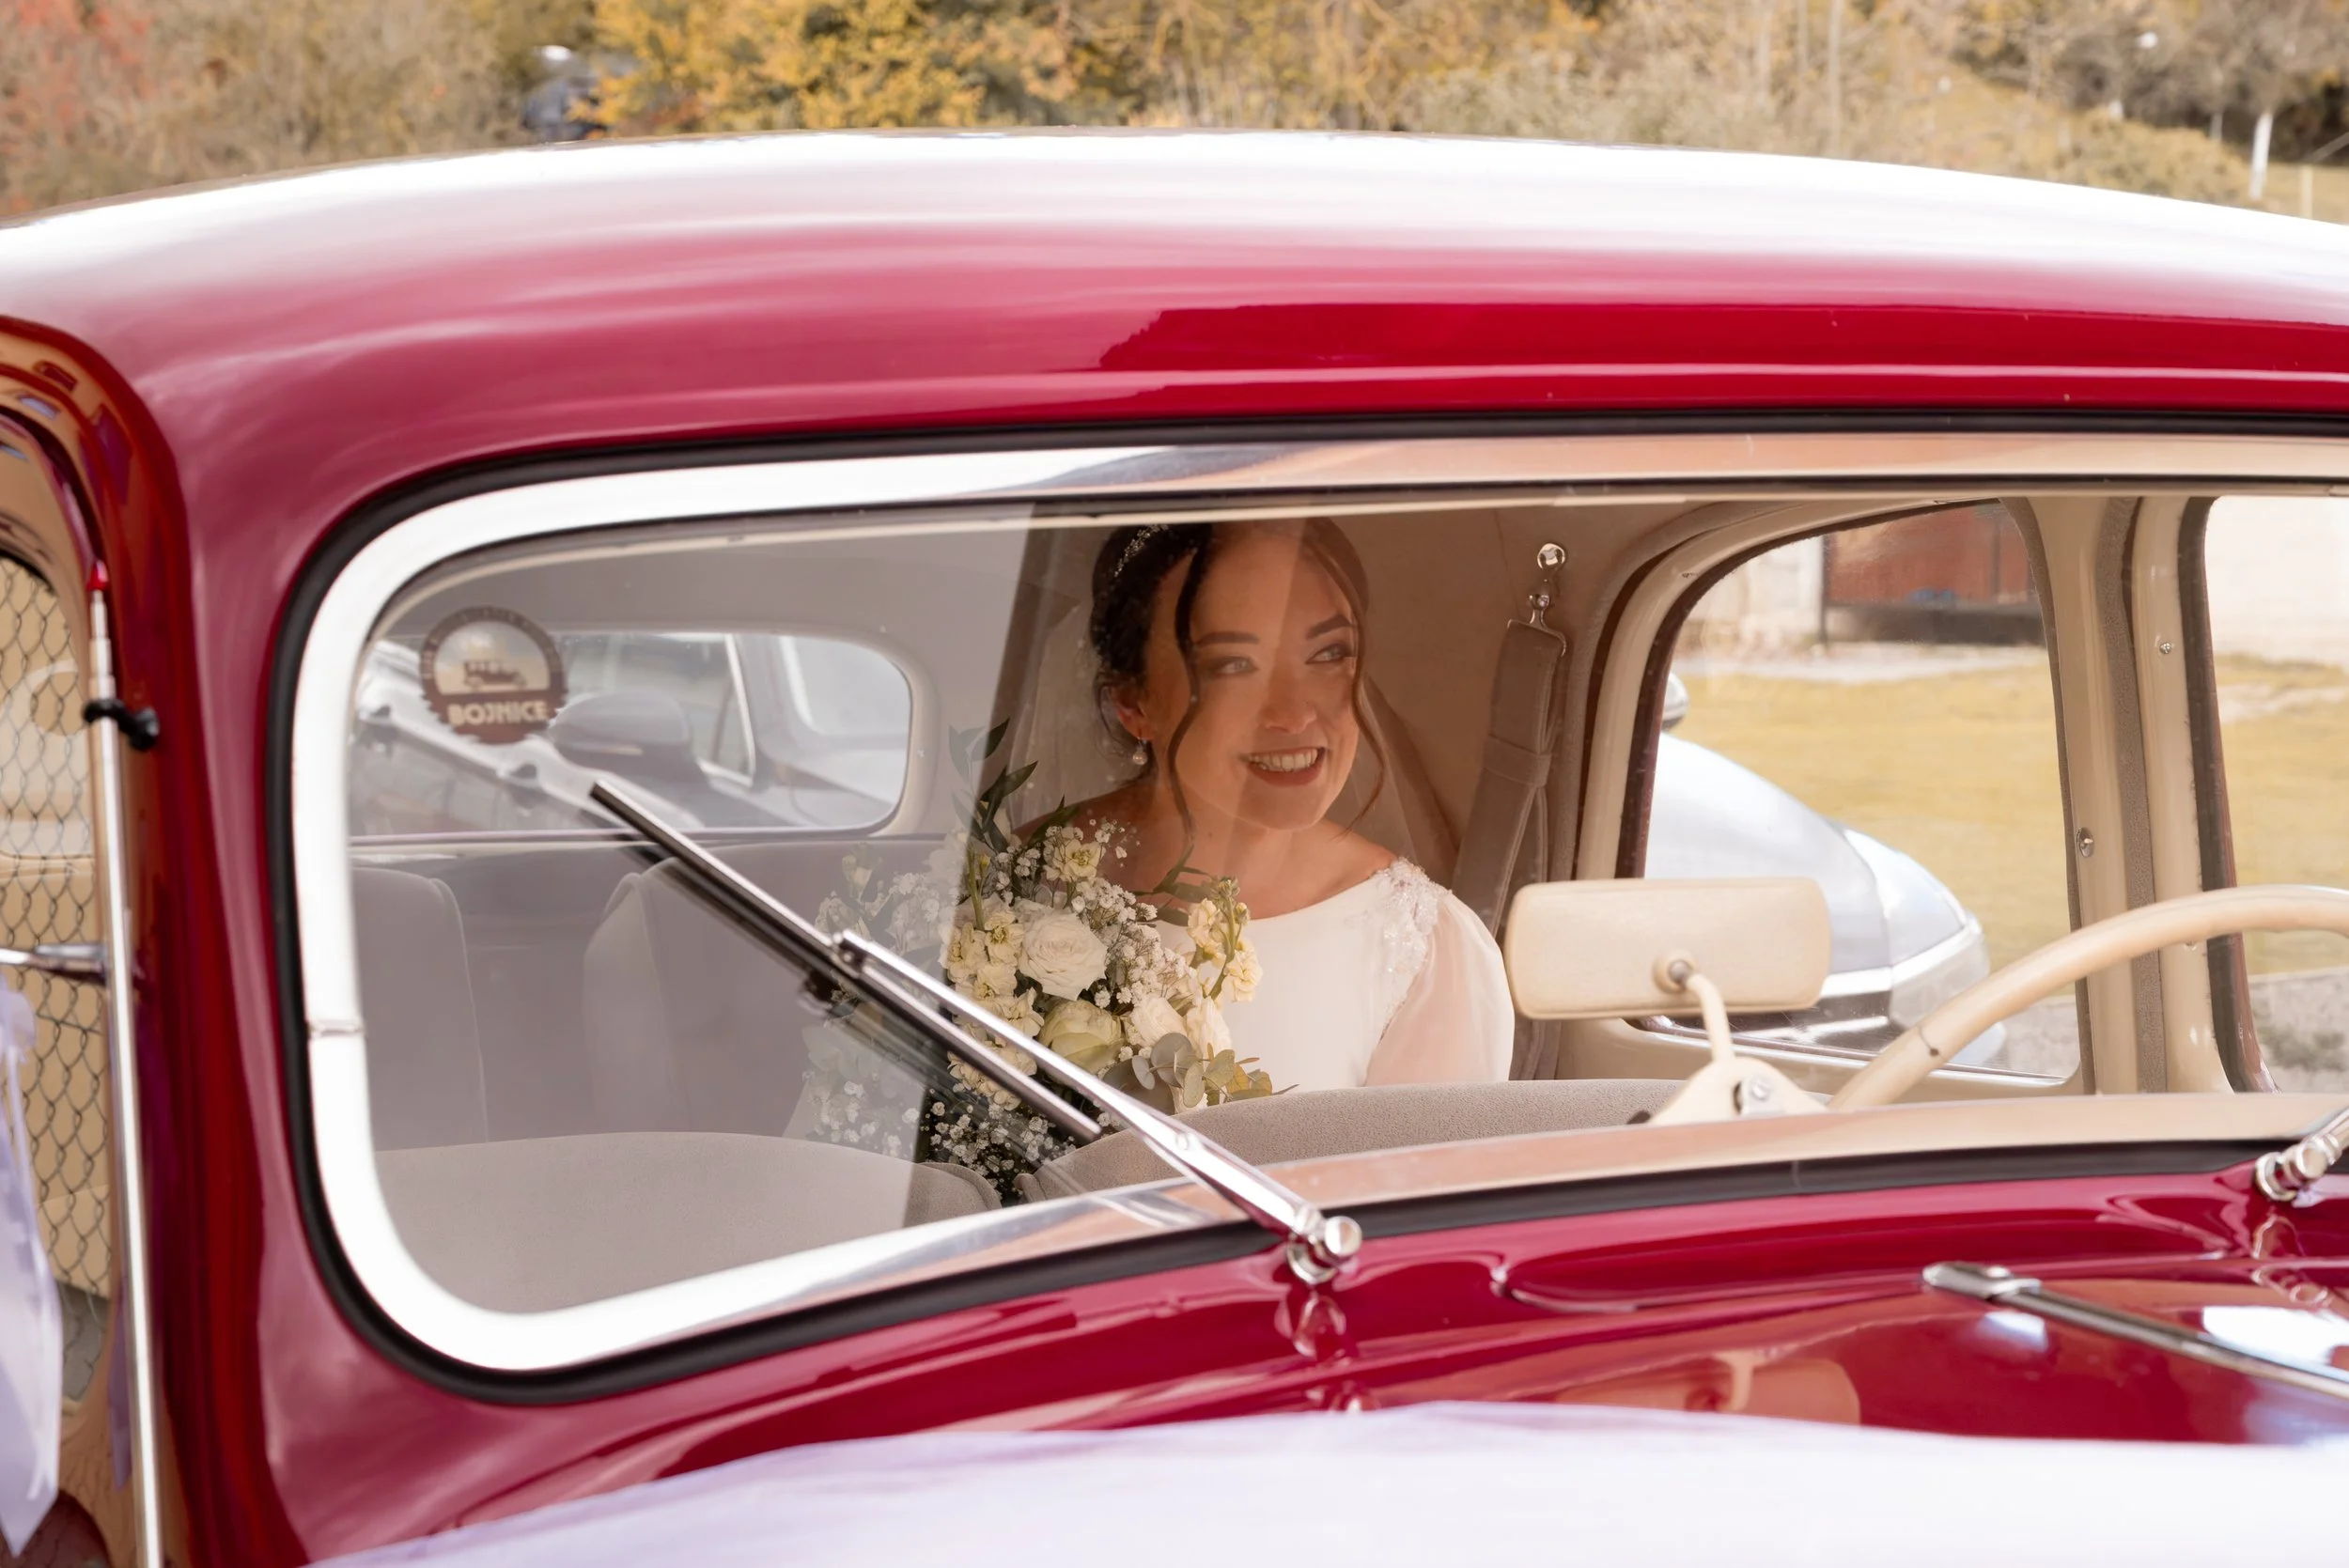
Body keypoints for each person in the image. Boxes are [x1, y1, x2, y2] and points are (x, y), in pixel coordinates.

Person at [1074, 520, 1513, 1093]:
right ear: (1134, 702)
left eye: (1329, 653)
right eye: (1233, 665)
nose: (1295, 714)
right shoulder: (1000, 893)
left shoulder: (1424, 951)